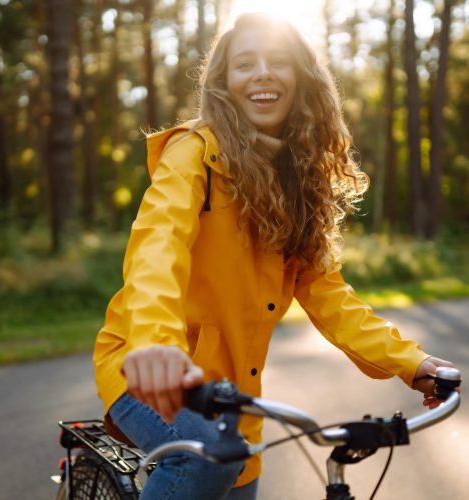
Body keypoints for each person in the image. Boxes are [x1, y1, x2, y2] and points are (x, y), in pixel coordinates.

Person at [93, 12, 455, 499]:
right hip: (151, 368)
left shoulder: (299, 182)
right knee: (204, 464)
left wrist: (412, 363)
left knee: (236, 471)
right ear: (223, 82)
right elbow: (158, 245)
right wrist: (156, 344)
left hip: (236, 403)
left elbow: (331, 299)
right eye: (245, 63)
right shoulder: (195, 154)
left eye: (277, 61)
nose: (262, 72)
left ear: (300, 77)